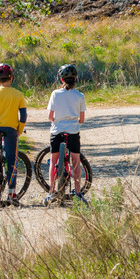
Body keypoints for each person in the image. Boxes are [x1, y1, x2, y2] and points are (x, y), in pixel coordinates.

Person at [0, 63, 27, 205]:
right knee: (12, 159)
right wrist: (19, 129)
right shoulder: (18, 94)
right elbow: (24, 116)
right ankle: (12, 193)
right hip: (11, 129)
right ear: (11, 78)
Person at [45, 64, 87, 206]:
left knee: (54, 159)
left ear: (61, 79)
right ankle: (77, 192)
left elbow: (50, 116)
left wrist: (56, 120)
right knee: (75, 161)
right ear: (76, 79)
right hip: (73, 131)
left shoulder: (55, 94)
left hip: (57, 131)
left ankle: (51, 192)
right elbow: (81, 119)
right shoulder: (80, 96)